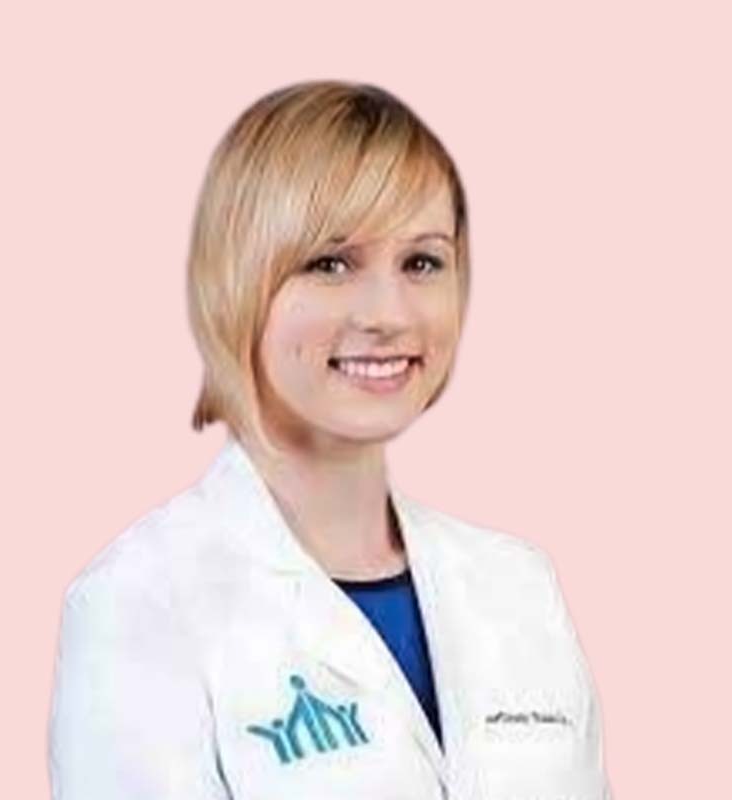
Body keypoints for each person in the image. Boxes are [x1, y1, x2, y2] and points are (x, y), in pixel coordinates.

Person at [47, 80, 613, 799]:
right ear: (236, 281)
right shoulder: (139, 605)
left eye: (422, 262)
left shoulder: (520, 586)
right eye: (330, 263)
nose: (388, 314)